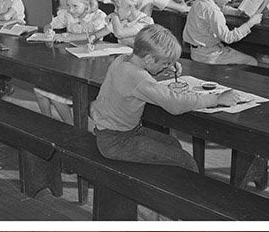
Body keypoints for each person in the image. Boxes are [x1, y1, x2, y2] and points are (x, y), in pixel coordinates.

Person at [89, 25, 239, 170]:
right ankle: (186, 195)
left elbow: (142, 79)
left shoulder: (123, 60)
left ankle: (165, 188)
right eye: (164, 63)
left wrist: (165, 65)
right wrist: (216, 99)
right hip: (116, 141)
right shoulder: (137, 77)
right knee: (186, 161)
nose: (167, 66)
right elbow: (175, 104)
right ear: (148, 59)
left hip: (114, 133)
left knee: (172, 144)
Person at [35, 0, 108, 122]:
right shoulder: (68, 14)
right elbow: (48, 25)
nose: (70, 10)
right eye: (68, 5)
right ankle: (49, 123)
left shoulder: (98, 16)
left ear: (87, 4)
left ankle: (70, 125)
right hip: (70, 62)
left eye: (75, 6)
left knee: (56, 96)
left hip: (90, 66)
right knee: (39, 90)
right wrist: (48, 31)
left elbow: (93, 35)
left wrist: (68, 37)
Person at [184, 0, 262, 65]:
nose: (230, 0)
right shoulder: (213, 11)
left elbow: (220, 7)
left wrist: (237, 12)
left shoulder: (201, 1)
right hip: (208, 55)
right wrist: (250, 23)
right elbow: (228, 38)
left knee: (238, 51)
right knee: (252, 61)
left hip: (196, 51)